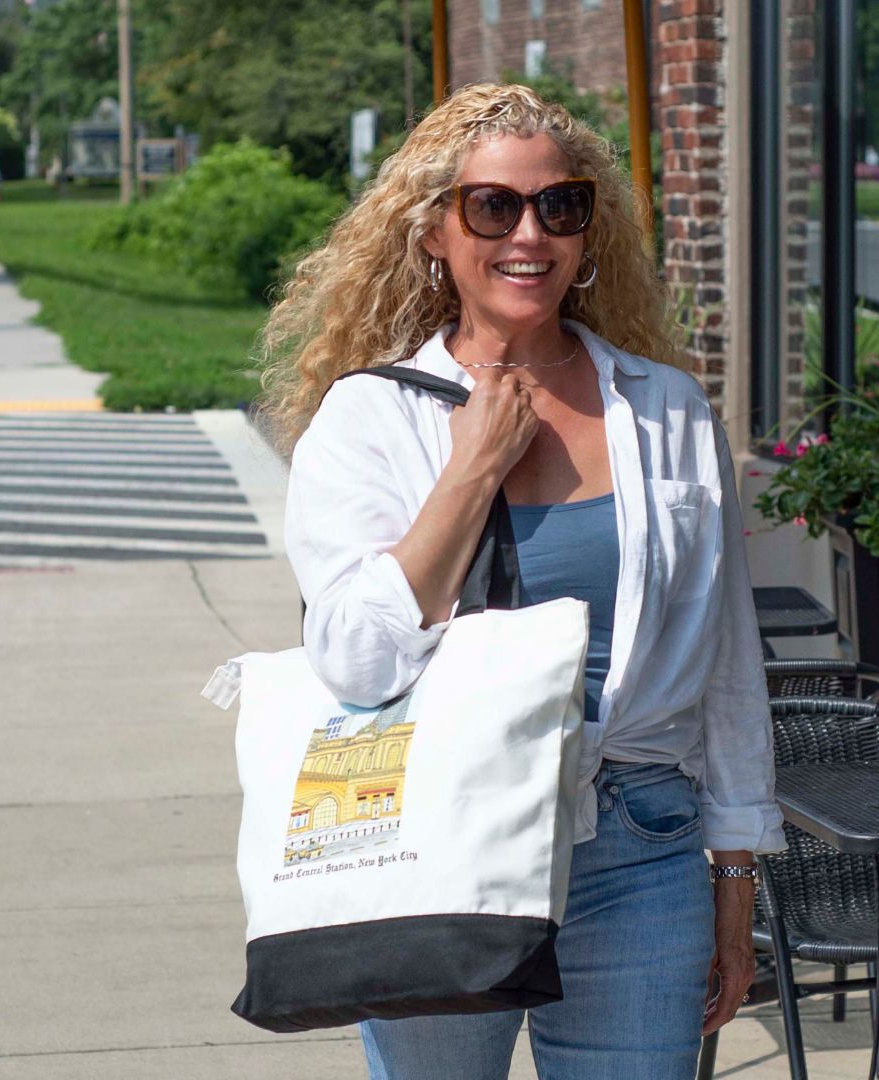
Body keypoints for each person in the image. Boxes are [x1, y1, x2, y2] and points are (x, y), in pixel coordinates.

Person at [257, 82, 783, 1080]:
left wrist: (736, 876)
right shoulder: (372, 421)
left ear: (589, 230)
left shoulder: (665, 409)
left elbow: (725, 657)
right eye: (493, 207)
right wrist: (470, 472)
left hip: (641, 839)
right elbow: (356, 658)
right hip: (446, 837)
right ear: (433, 234)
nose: (529, 234)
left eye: (560, 206)